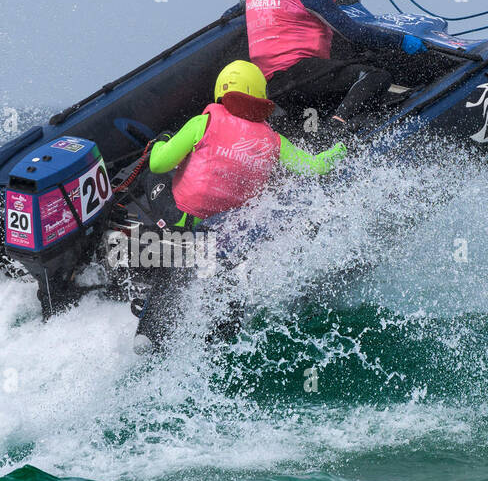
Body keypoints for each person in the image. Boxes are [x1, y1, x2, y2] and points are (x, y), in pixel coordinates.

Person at [132, 60, 345, 352]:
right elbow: (316, 168)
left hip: (182, 218)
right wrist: (341, 149)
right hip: (221, 233)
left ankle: (149, 332)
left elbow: (159, 162)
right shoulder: (274, 141)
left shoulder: (204, 121)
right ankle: (221, 342)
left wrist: (164, 141)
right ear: (260, 94)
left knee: (153, 173)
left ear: (222, 90)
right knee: (221, 268)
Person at [245, 0, 426, 148]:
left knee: (335, 90)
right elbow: (353, 32)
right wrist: (400, 41)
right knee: (375, 76)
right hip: (301, 73)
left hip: (272, 87)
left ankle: (324, 141)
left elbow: (233, 14)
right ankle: (337, 127)